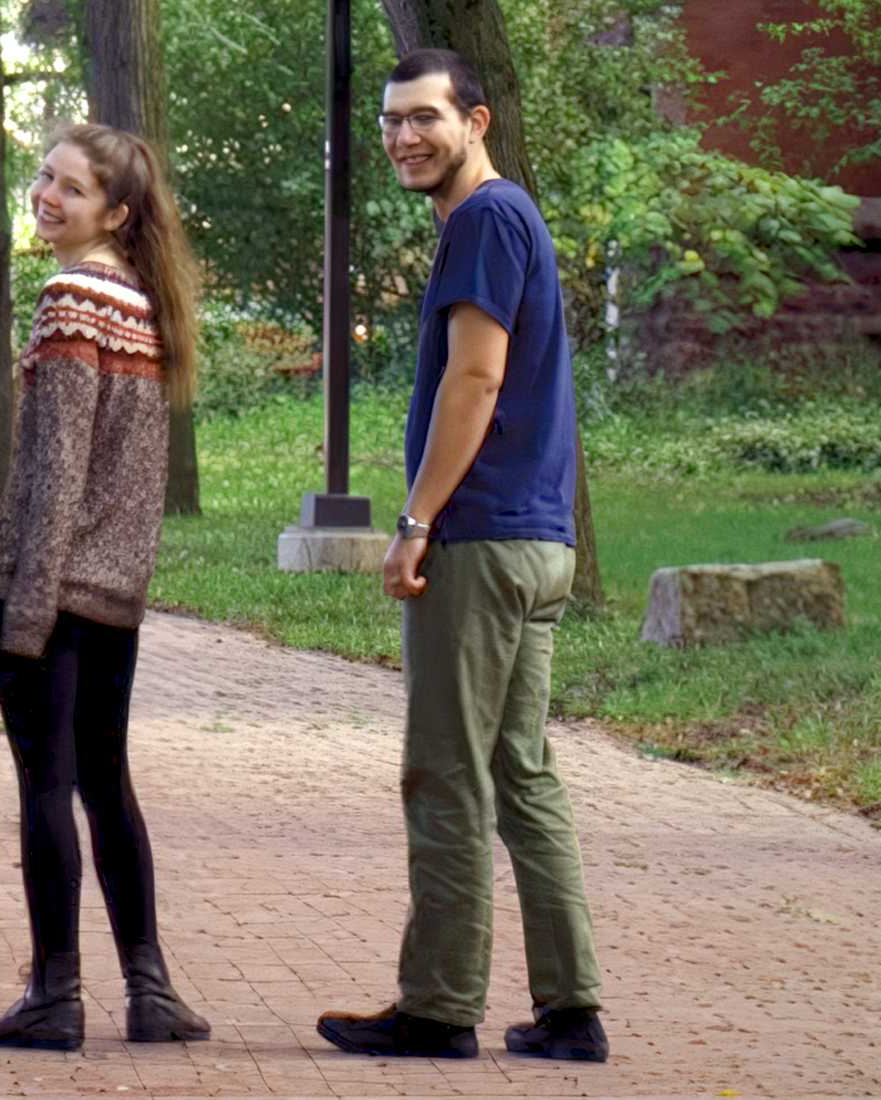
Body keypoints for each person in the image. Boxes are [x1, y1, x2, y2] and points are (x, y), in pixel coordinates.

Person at [315, 47, 608, 1065]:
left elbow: (475, 382)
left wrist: (415, 520)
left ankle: (438, 1006)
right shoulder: (512, 215)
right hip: (538, 540)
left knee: (444, 770)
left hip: (481, 542)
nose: (403, 137)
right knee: (520, 770)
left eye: (425, 118)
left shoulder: (482, 220)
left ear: (474, 121)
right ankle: (571, 1011)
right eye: (392, 121)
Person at [0, 122, 212, 1053]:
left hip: (50, 584)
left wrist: (26, 604)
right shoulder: (143, 302)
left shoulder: (71, 297)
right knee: (107, 784)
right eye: (42, 176)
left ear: (114, 211)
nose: (45, 195)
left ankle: (53, 995)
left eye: (68, 187)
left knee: (47, 784)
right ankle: (150, 991)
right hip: (115, 592)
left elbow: (61, 463)